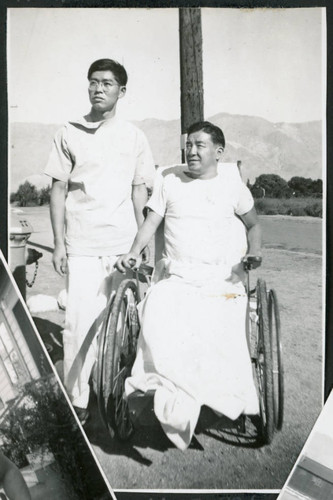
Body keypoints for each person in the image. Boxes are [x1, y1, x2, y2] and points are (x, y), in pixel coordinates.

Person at [116, 121, 262, 450]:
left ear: (218, 152)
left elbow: (254, 226)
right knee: (158, 310)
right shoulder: (169, 180)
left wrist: (255, 252)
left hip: (221, 277)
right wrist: (132, 252)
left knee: (221, 318)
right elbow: (150, 223)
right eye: (189, 145)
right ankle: (170, 395)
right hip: (178, 276)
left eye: (200, 145)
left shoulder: (232, 184)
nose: (192, 151)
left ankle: (222, 396)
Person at [45, 58, 155, 424]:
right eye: (93, 81)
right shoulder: (68, 132)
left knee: (126, 325)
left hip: (123, 244)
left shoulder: (134, 136)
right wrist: (59, 244)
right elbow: (58, 190)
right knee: (77, 324)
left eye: (107, 83)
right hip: (82, 244)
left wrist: (141, 244)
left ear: (121, 91)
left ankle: (119, 394)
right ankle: (77, 402)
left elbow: (140, 192)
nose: (98, 88)